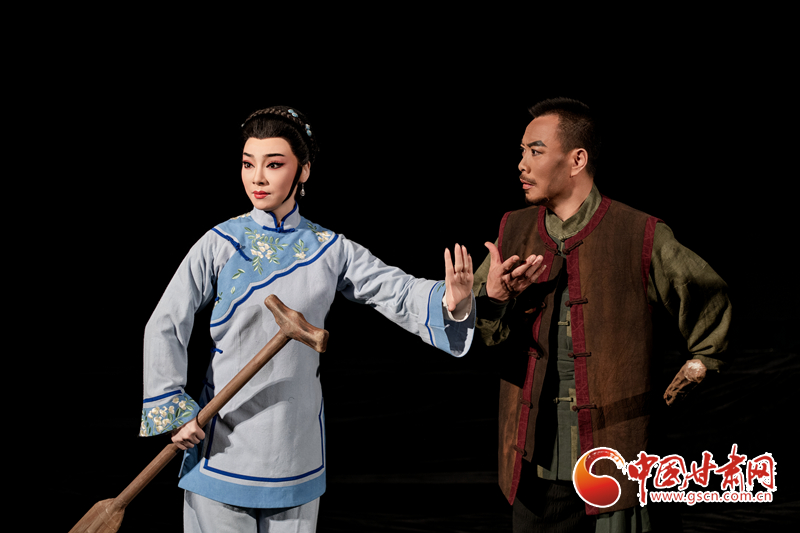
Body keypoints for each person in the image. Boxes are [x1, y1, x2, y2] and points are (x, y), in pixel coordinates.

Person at [140, 106, 475, 532]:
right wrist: (173, 407)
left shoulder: (329, 248)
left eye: (274, 164)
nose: (258, 178)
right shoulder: (220, 243)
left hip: (295, 448)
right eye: (248, 163)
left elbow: (394, 289)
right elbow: (166, 322)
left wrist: (451, 300)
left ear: (304, 171)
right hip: (221, 439)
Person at [472, 97, 731, 532]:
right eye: (521, 151)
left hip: (617, 461)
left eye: (535, 151)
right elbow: (481, 333)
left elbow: (708, 300)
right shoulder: (512, 232)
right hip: (533, 465)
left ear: (577, 160)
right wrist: (493, 300)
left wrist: (700, 364)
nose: (521, 164)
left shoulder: (639, 233)